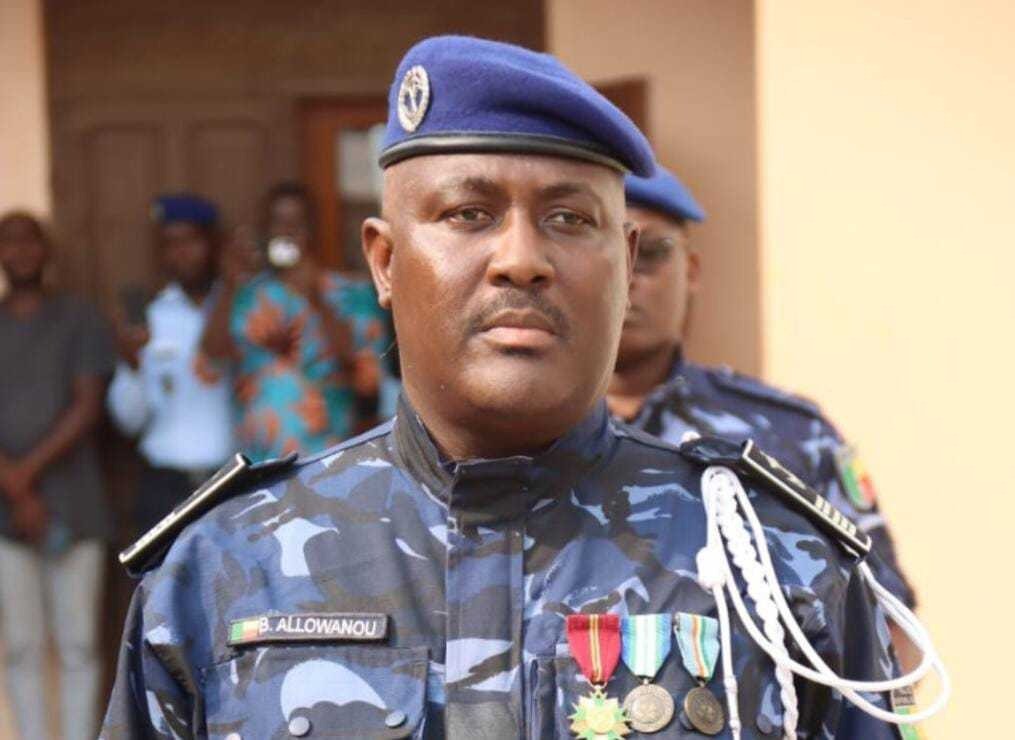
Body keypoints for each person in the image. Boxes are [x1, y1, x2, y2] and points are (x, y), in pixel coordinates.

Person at [101, 37, 941, 738]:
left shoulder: (777, 563)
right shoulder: (225, 569)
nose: (520, 259)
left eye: (569, 219)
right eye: (468, 214)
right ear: (384, 262)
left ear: (625, 260)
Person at [609, 166, 917, 611]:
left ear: (691, 271)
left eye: (650, 253)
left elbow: (886, 613)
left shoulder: (792, 434)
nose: (627, 277)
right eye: (609, 254)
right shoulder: (522, 432)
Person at [0, 211, 114, 740]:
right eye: (9, 242)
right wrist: (15, 486)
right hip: (4, 514)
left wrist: (23, 477)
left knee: (78, 646)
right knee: (21, 647)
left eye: (30, 240)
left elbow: (88, 407)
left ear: (47, 250)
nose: (20, 251)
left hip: (76, 505)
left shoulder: (80, 318)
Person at [201, 182, 391, 461]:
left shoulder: (350, 292)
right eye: (278, 222)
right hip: (258, 459)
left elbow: (365, 377)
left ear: (313, 229)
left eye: (297, 223)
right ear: (265, 230)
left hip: (326, 456)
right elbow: (212, 356)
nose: (287, 232)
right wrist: (229, 283)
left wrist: (315, 297)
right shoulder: (246, 293)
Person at [107, 194, 234, 535]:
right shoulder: (153, 316)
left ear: (213, 243)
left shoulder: (243, 307)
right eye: (170, 243)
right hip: (166, 488)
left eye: (190, 241)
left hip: (233, 482)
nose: (181, 253)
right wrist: (131, 366)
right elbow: (129, 421)